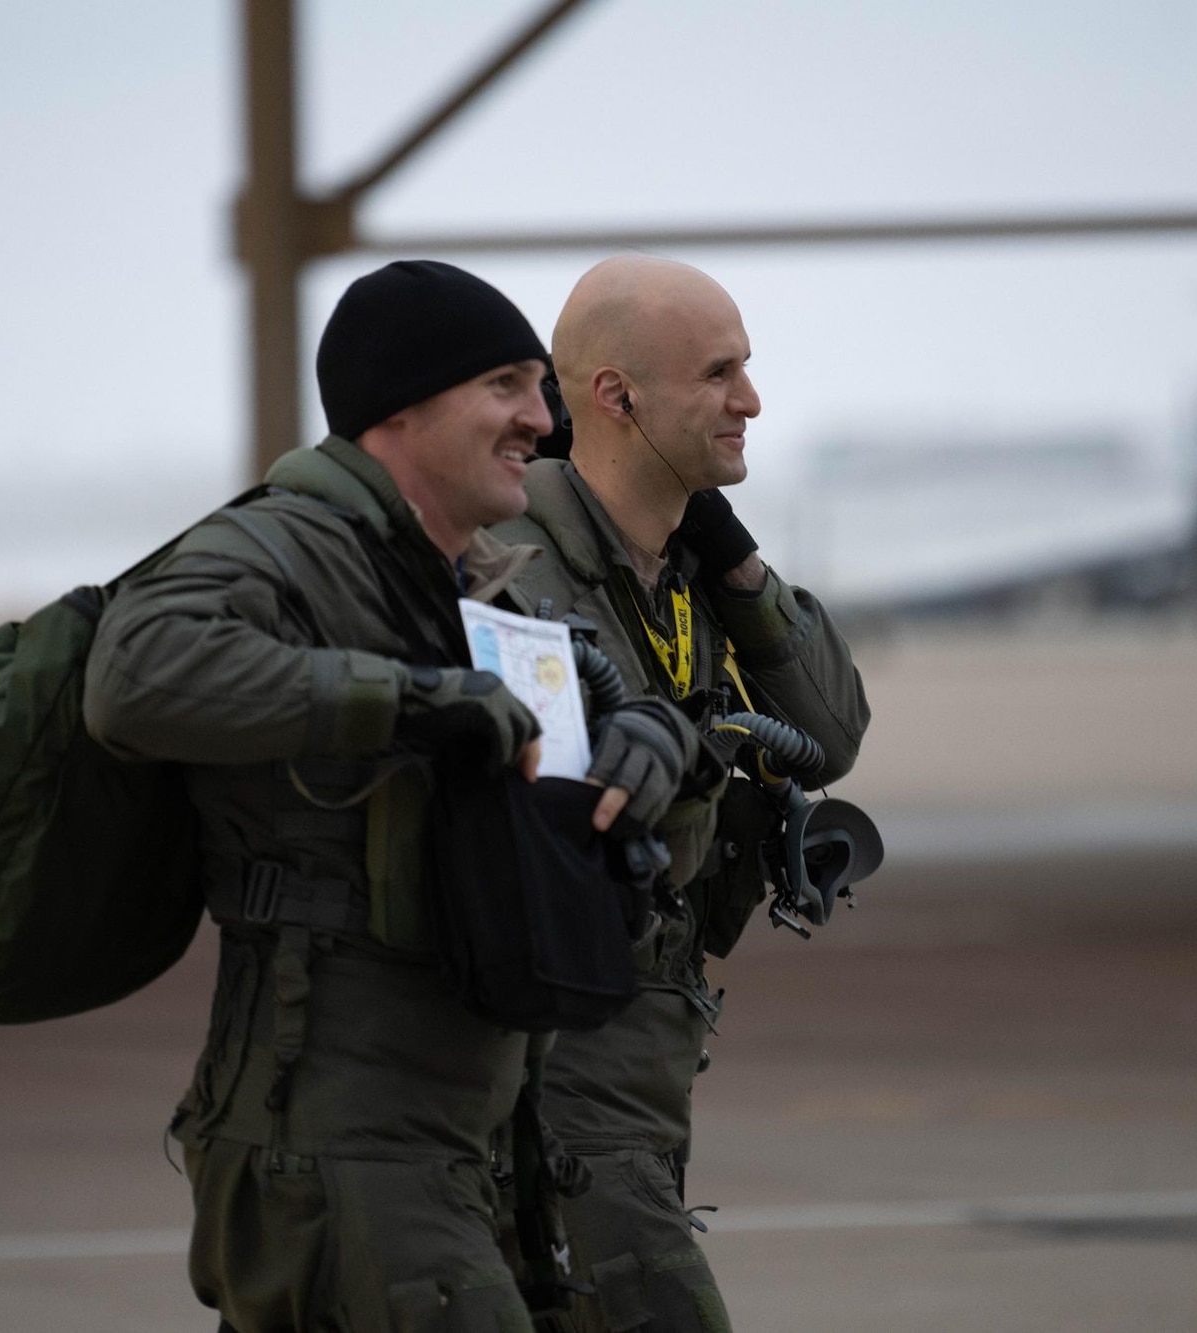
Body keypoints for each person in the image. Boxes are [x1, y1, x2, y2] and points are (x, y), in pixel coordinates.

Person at [81, 259, 698, 1333]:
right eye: (504, 385)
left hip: (462, 1133)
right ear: (401, 408)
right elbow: (135, 673)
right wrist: (403, 700)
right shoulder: (282, 544)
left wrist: (648, 737)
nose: (538, 418)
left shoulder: (466, 579)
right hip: (337, 1141)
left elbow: (529, 780)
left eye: (537, 386)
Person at [493, 255, 871, 1331]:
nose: (748, 400)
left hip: (649, 1055)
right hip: (558, 1068)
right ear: (614, 396)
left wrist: (737, 564)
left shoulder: (684, 569)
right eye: (717, 373)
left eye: (744, 368)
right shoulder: (513, 570)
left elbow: (829, 734)